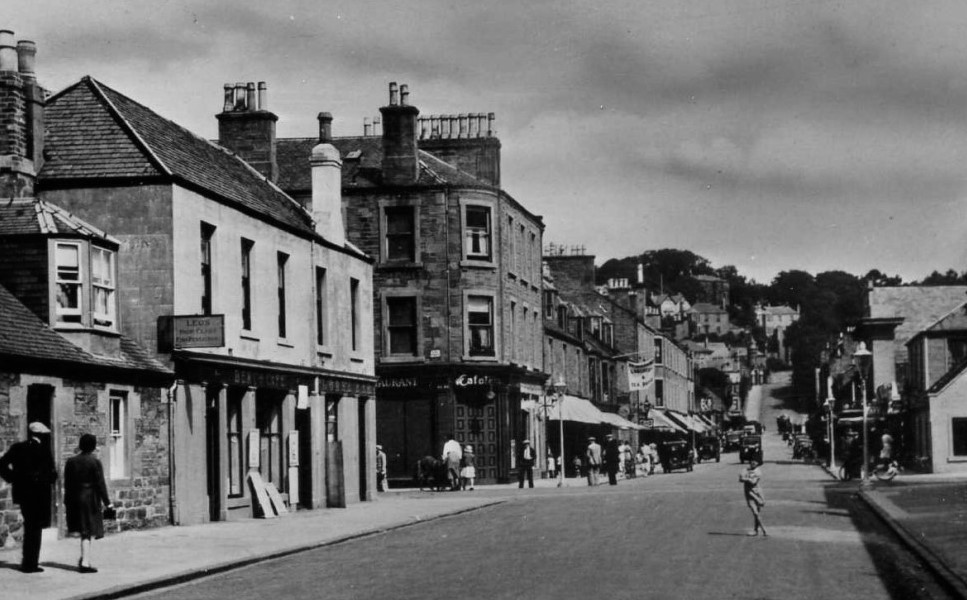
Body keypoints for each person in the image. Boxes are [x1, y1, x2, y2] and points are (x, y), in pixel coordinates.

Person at [0, 422, 58, 573]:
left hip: (23, 494)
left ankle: (28, 562)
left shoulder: (18, 448)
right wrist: (49, 479)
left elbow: (1, 464)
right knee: (35, 528)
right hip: (39, 495)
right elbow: (52, 473)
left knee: (30, 526)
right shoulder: (44, 450)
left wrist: (13, 478)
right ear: (40, 435)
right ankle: (30, 563)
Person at [64, 433, 114, 573]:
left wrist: (67, 501)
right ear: (92, 446)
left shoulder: (71, 461)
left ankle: (83, 559)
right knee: (87, 531)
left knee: (82, 529)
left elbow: (68, 484)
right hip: (90, 498)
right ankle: (85, 563)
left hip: (75, 497)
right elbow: (100, 484)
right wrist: (107, 503)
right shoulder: (94, 462)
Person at [738, 458, 767, 537]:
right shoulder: (745, 470)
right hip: (749, 493)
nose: (753, 463)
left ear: (758, 463)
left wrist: (746, 478)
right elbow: (740, 479)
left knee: (757, 512)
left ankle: (756, 530)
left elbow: (753, 482)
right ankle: (763, 530)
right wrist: (747, 478)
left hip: (757, 492)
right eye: (752, 461)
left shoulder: (758, 471)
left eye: (755, 462)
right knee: (755, 513)